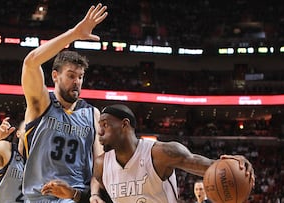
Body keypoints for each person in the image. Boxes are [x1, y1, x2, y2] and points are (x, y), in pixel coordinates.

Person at [20, 3, 108, 202]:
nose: (76, 81)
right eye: (70, 75)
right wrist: (74, 34)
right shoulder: (41, 104)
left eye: (80, 76)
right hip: (38, 197)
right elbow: (30, 63)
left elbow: (99, 163)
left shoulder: (92, 113)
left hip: (75, 196)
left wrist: (94, 194)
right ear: (55, 76)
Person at [90, 104, 255, 203]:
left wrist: (234, 164)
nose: (100, 131)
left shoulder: (161, 153)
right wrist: (95, 194)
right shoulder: (101, 165)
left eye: (105, 124)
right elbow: (98, 187)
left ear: (125, 125)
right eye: (99, 126)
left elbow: (208, 166)